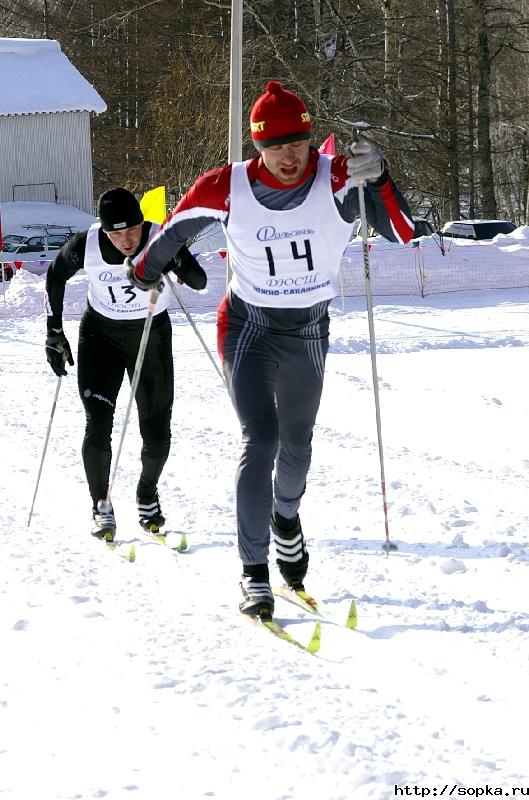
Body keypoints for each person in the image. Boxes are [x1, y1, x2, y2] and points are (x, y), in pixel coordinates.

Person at [126, 81, 414, 616]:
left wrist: (380, 178)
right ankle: (254, 573)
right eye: (274, 145)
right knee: (262, 440)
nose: (288, 155)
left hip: (308, 333)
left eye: (297, 143)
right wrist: (143, 267)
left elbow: (400, 231)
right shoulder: (225, 186)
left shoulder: (338, 179)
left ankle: (286, 519)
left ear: (310, 140)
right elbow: (172, 231)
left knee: (298, 448)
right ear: (257, 146)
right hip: (248, 329)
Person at [44, 187, 207, 541]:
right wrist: (54, 332)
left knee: (158, 433)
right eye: (116, 233)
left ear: (141, 222)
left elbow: (200, 281)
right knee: (98, 422)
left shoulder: (159, 236)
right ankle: (100, 503)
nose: (127, 239)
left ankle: (147, 494)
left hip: (151, 337)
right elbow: (55, 276)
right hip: (100, 338)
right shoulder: (85, 245)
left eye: (132, 229)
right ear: (104, 230)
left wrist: (175, 258)